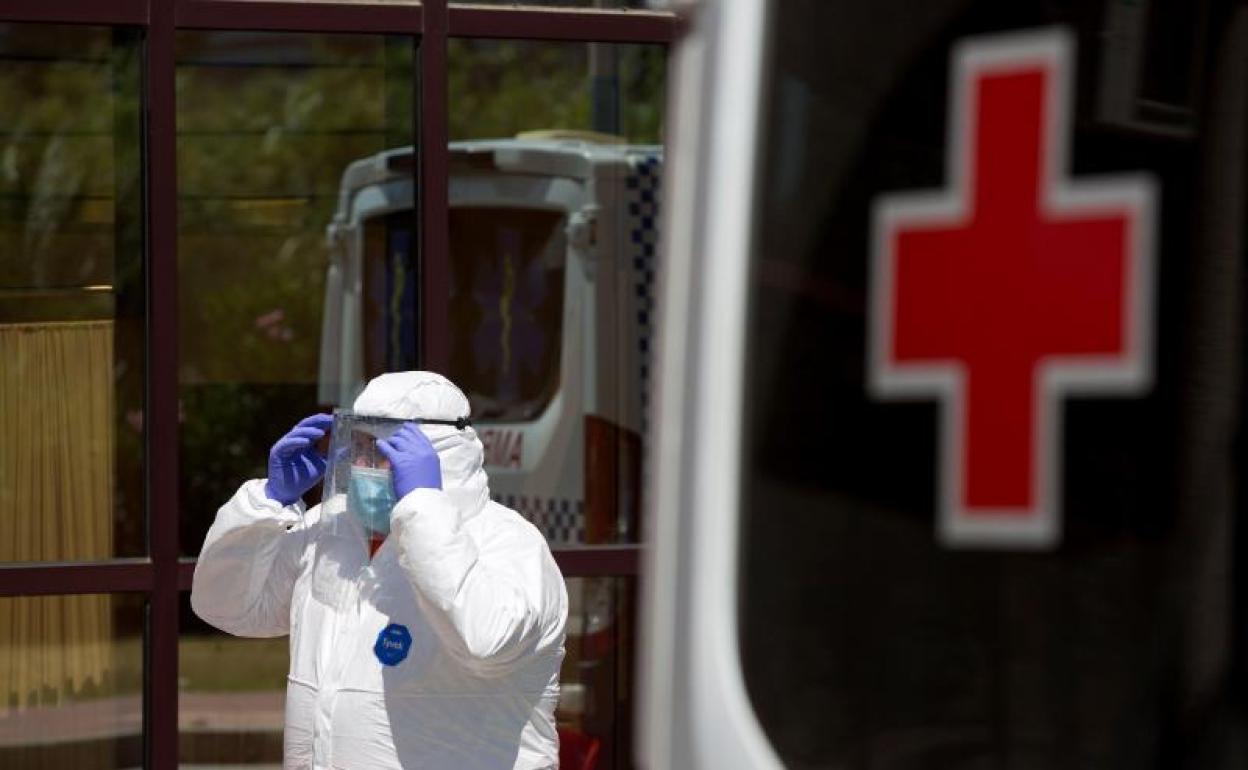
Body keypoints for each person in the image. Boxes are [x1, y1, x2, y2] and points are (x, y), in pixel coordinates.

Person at [191, 371, 568, 770]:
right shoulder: (331, 533)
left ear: (439, 455)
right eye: (358, 446)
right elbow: (227, 606)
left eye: (385, 450)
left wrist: (422, 507)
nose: (365, 465)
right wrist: (267, 505)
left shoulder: (508, 542)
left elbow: (486, 642)